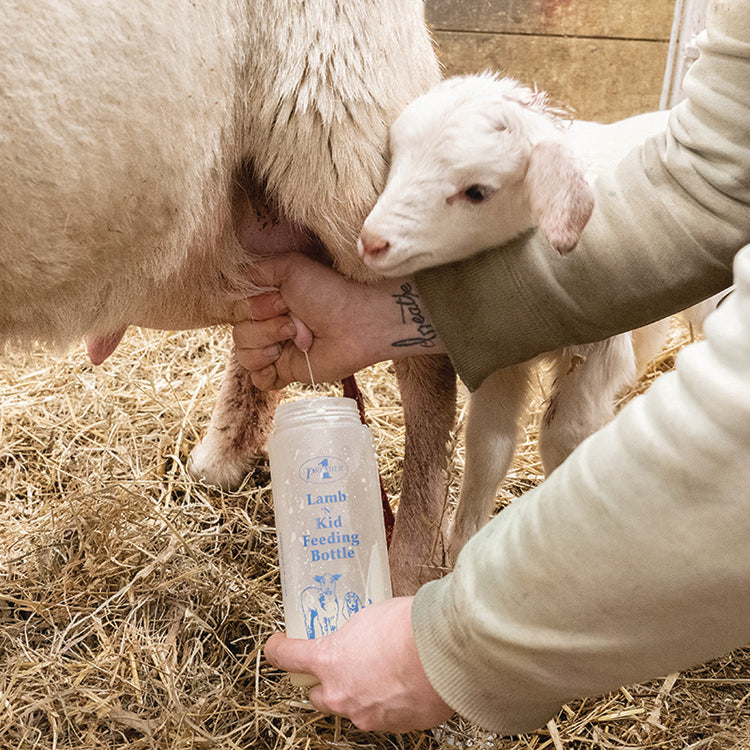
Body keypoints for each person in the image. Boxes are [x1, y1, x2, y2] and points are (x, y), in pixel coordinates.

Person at [241, 0, 750, 735]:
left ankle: (568, 579)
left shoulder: (555, 176)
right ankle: (469, 535)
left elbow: (733, 431)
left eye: (475, 192)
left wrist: (453, 648)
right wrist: (397, 320)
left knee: (569, 431)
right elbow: (715, 177)